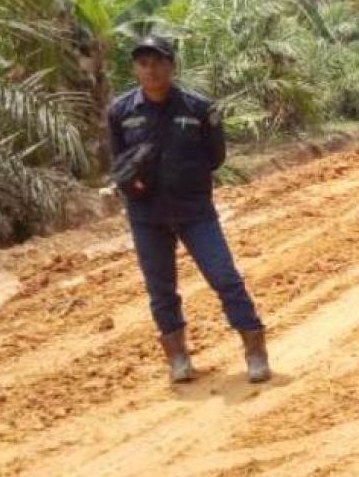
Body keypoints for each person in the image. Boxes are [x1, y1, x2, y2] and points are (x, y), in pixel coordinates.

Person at [107, 35, 270, 384]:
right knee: (160, 288)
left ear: (171, 66)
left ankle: (254, 349)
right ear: (136, 69)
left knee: (224, 277)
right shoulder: (120, 112)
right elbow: (118, 161)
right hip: (146, 215)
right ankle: (178, 357)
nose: (150, 70)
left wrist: (186, 179)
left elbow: (216, 156)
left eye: (158, 62)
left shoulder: (199, 109)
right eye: (143, 63)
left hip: (195, 210)